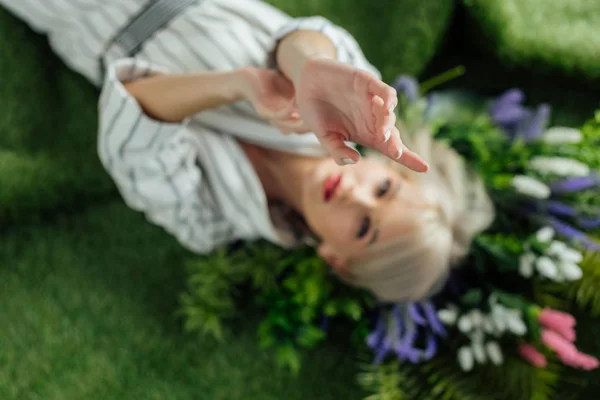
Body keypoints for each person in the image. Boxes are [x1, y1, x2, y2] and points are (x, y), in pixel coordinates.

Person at [0, 0, 494, 302]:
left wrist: (239, 85)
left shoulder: (209, 223)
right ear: (392, 168)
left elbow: (130, 115)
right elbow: (302, 41)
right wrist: (308, 73)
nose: (358, 199)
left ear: (336, 260)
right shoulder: (351, 105)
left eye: (365, 229)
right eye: (385, 189)